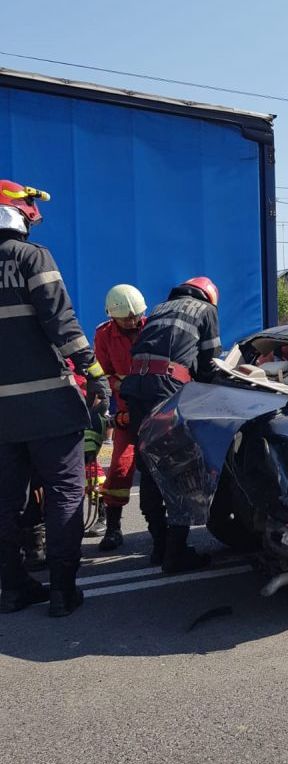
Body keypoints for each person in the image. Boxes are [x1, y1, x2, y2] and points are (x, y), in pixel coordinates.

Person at [0, 179, 106, 616]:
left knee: (5, 503)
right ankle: (62, 590)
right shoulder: (31, 257)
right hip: (47, 407)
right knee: (65, 491)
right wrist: (93, 373)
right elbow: (61, 321)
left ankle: (12, 588)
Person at [120, 277, 222, 573]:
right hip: (165, 389)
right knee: (178, 468)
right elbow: (210, 365)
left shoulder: (160, 308)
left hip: (136, 389)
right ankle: (176, 554)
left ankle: (159, 546)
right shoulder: (206, 311)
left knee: (149, 466)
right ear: (210, 297)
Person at [93, 284, 148, 550]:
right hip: (128, 415)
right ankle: (113, 528)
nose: (133, 321)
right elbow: (102, 374)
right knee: (119, 468)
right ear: (112, 315)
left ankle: (169, 528)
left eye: (136, 316)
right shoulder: (104, 335)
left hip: (156, 411)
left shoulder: (153, 327)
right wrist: (124, 387)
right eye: (126, 318)